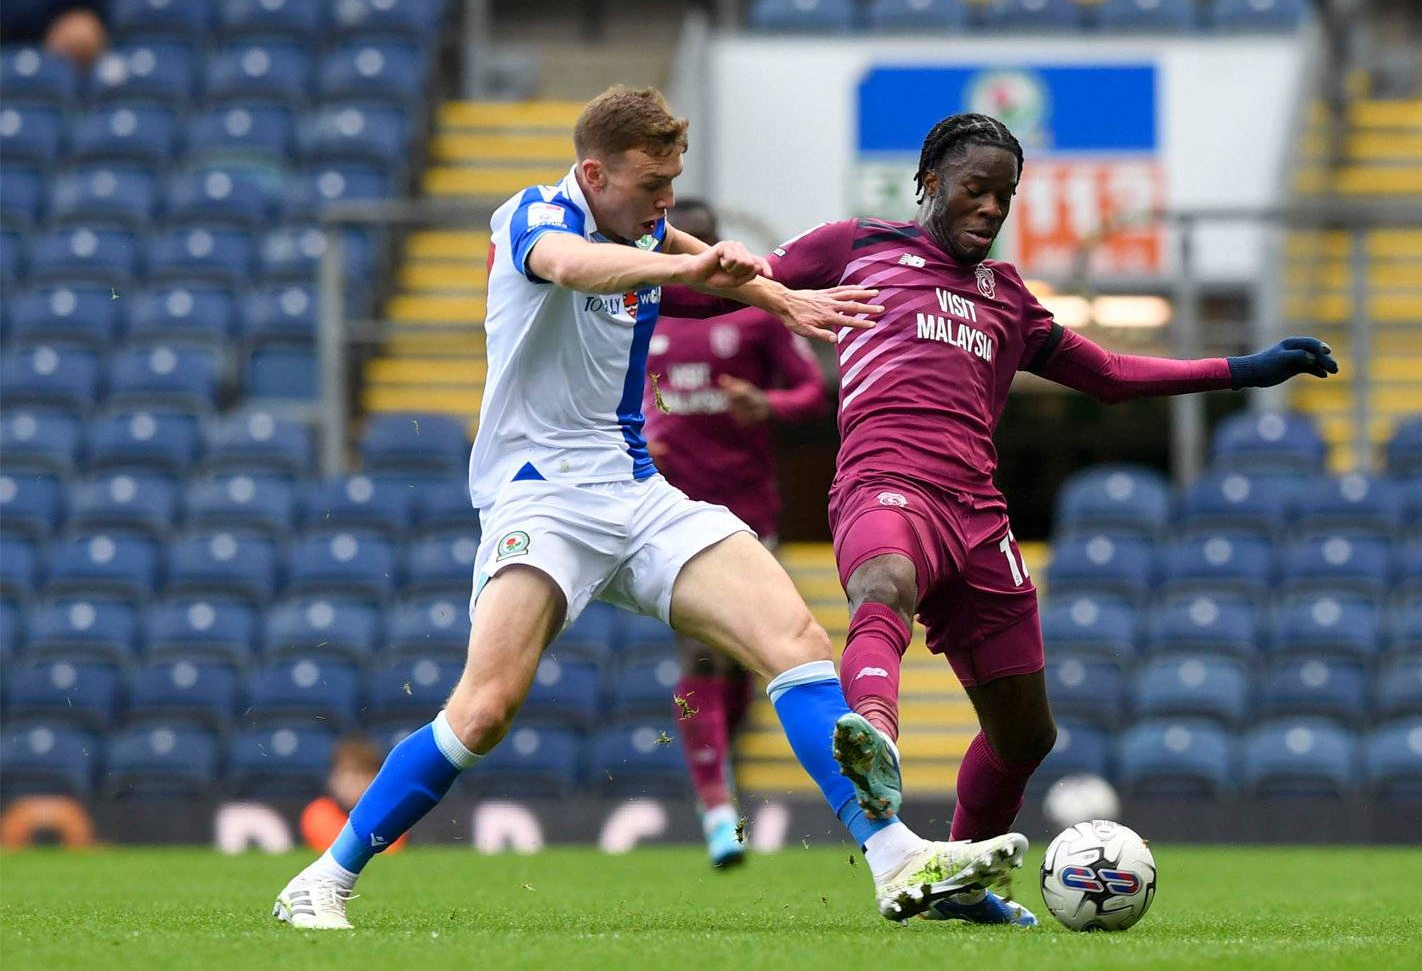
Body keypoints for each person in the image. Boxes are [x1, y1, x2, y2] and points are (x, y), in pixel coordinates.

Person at [271, 87, 1029, 930]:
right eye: (650, 184)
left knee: (796, 640)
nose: (666, 200)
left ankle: (892, 860)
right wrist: (687, 268)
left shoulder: (639, 222)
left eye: (674, 181)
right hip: (541, 498)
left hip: (636, 489)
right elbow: (570, 266)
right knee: (485, 709)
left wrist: (781, 299)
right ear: (595, 172)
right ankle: (325, 877)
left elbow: (685, 249)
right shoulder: (533, 214)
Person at [668, 112, 1337, 925]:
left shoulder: (1009, 296)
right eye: (974, 190)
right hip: (886, 486)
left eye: (1004, 196)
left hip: (980, 520)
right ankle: (871, 733)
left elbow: (1111, 376)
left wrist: (1240, 369)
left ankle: (954, 884)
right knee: (886, 581)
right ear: (928, 184)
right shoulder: (854, 246)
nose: (988, 208)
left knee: (1026, 738)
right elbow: (713, 292)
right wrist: (614, 273)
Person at [642, 197, 830, 868]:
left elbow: (813, 392)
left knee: (746, 664)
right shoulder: (637, 309)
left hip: (751, 514)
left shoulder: (754, 315)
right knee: (701, 658)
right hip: (669, 513)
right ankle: (716, 803)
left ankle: (722, 780)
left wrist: (767, 404)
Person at [299, 739, 406, 855]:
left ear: (377, 777)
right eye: (344, 773)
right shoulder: (318, 813)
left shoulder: (391, 815)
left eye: (360, 773)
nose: (351, 782)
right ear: (332, 779)